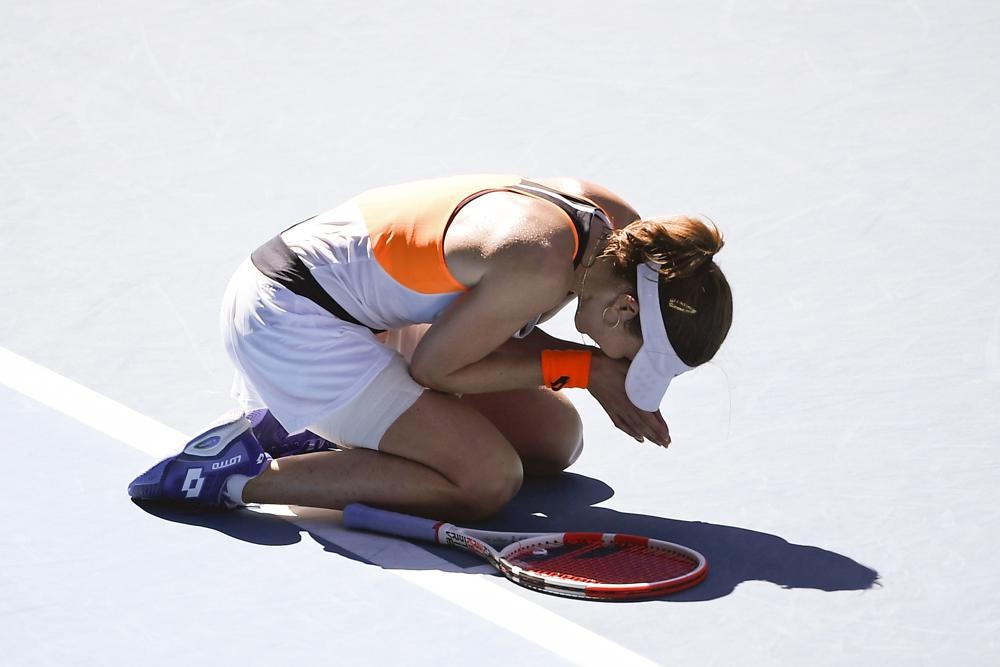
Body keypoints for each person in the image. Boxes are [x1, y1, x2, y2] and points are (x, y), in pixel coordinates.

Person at [128, 174, 732, 522]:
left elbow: (482, 331)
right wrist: (585, 367)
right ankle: (238, 474)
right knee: (486, 482)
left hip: (367, 312)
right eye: (634, 354)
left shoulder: (613, 228)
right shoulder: (538, 263)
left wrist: (589, 370)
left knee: (554, 440)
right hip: (292, 321)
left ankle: (331, 430)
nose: (626, 367)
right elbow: (438, 369)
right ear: (624, 307)